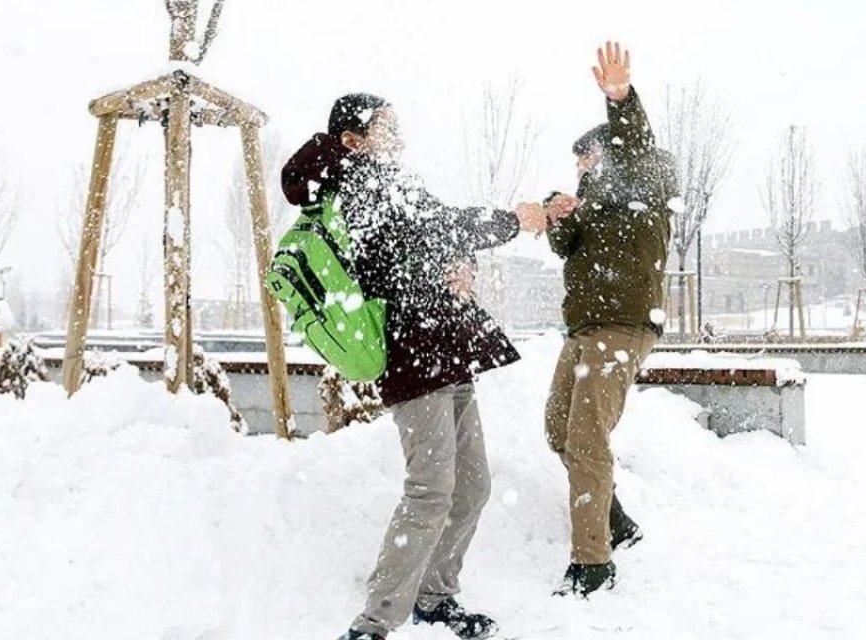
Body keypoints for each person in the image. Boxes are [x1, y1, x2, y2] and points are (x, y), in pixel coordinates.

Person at [281, 94, 549, 640]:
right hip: (413, 355)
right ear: (354, 139)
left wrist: (460, 263)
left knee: (472, 485)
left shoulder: (388, 179)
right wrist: (511, 222)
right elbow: (434, 228)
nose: (399, 135)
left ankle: (435, 598)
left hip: (445, 349)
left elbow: (428, 240)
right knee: (430, 489)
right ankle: (373, 626)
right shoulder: (359, 183)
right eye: (386, 126)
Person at [542, 42, 680, 597]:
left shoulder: (644, 182)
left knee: (587, 437)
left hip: (622, 327)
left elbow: (635, 144)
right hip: (585, 329)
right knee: (559, 428)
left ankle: (593, 563)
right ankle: (614, 518)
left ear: (611, 153)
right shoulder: (592, 203)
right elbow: (565, 247)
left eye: (588, 159)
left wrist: (620, 99)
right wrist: (557, 213)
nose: (581, 168)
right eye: (577, 163)